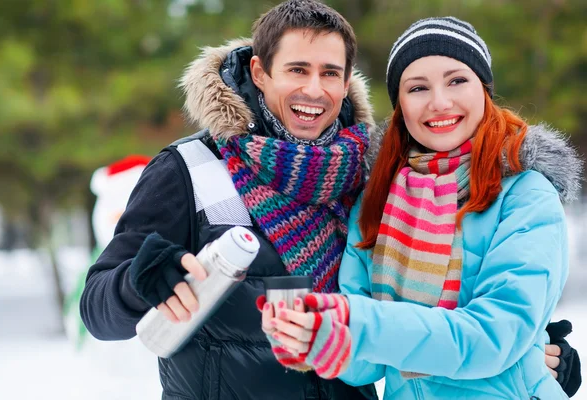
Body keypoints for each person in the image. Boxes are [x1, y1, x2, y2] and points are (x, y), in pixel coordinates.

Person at [263, 16, 583, 399]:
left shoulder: (525, 194)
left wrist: (356, 322)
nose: (439, 102)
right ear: (400, 104)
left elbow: (494, 338)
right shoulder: (378, 201)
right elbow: (367, 366)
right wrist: (319, 337)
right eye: (417, 88)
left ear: (483, 88)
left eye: (456, 80)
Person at [80, 1, 378, 399]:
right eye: (297, 70)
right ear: (260, 72)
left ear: (345, 83)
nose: (314, 89)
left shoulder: (367, 172)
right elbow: (97, 313)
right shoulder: (188, 168)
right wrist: (141, 281)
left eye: (329, 73)